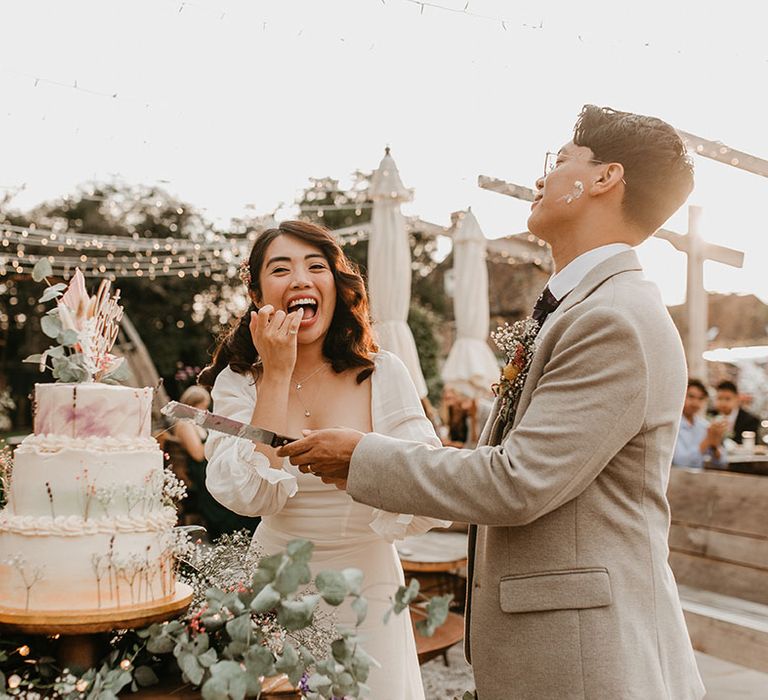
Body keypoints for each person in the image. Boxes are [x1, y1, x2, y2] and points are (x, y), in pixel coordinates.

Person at [279, 106, 705, 699]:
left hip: (587, 657)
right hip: (563, 643)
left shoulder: (614, 321)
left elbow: (517, 481)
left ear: (604, 179)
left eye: (560, 162)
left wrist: (362, 458)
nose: (541, 180)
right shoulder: (588, 308)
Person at [198, 221, 447, 700]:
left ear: (336, 283)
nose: (301, 280)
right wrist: (275, 373)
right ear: (256, 292)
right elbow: (247, 497)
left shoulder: (383, 372)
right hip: (276, 586)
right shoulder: (236, 382)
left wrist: (359, 459)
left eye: (317, 267)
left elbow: (428, 489)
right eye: (280, 269)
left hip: (369, 586)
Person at [172, 385, 260, 540]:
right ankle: (232, 527)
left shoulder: (197, 423)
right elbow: (198, 454)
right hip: (199, 472)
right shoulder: (184, 424)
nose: (206, 412)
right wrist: (221, 435)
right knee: (228, 483)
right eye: (202, 408)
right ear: (192, 405)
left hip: (208, 465)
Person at [672, 379, 726, 469]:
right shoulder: (672, 424)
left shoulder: (704, 426)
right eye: (691, 397)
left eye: (700, 399)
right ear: (681, 395)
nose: (695, 403)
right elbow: (680, 462)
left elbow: (721, 463)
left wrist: (715, 445)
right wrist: (707, 440)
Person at [713, 379, 761, 445]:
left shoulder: (750, 420)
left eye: (727, 399)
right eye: (719, 398)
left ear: (737, 399)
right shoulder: (711, 415)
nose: (723, 403)